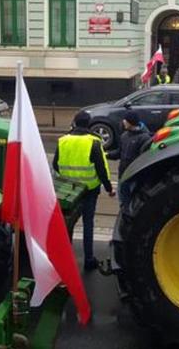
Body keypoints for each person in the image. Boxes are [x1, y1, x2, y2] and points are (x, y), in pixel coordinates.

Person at [53, 111, 115, 271]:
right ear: (88, 124)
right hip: (89, 190)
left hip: (69, 190)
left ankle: (65, 259)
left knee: (69, 224)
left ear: (74, 122)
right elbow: (101, 168)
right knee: (88, 223)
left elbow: (55, 165)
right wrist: (108, 188)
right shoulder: (94, 142)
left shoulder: (63, 140)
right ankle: (88, 259)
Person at [107, 110, 151, 208]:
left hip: (134, 178)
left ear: (130, 122)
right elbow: (119, 153)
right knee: (123, 203)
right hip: (123, 176)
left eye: (125, 120)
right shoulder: (124, 136)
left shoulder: (144, 138)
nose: (123, 122)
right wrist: (106, 155)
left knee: (133, 204)